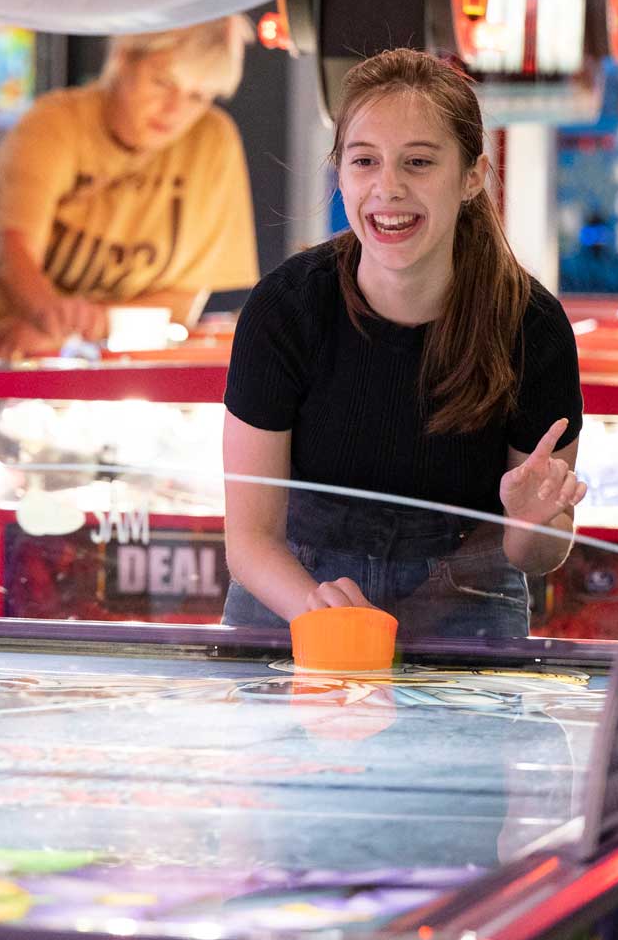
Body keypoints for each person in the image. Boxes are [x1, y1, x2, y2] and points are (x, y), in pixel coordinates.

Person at [221, 49, 587, 638]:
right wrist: (323, 619)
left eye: (418, 162)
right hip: (296, 595)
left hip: (465, 605)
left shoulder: (531, 325)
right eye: (365, 161)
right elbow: (251, 539)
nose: (387, 188)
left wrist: (534, 523)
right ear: (339, 171)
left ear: (471, 176)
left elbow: (536, 555)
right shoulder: (285, 308)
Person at [0, 17, 260, 358]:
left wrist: (87, 330)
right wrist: (50, 320)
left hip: (116, 357)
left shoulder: (213, 141)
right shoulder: (54, 122)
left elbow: (183, 301)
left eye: (198, 96)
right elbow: (15, 256)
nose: (175, 110)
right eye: (162, 83)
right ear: (122, 59)